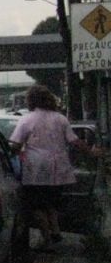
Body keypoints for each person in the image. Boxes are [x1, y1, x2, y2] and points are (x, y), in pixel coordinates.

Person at [8, 85, 98, 250]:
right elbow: (74, 141)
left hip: (36, 169)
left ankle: (47, 238)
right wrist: (91, 153)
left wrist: (8, 152)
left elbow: (15, 144)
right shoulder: (60, 118)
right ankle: (56, 232)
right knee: (51, 202)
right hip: (58, 168)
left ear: (31, 101)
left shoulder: (27, 119)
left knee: (36, 206)